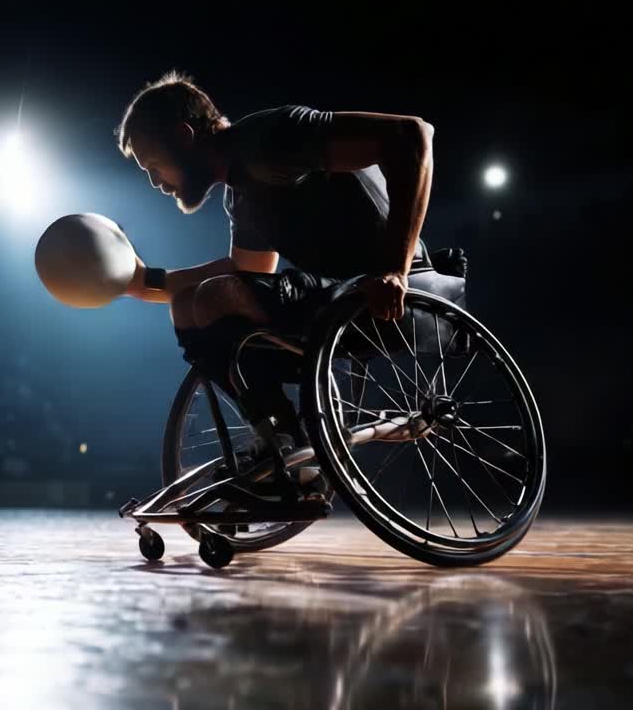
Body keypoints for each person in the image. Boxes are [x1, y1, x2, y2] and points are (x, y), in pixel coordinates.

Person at [116, 70, 436, 466]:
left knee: (212, 297)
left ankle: (288, 436)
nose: (154, 182)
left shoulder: (268, 139)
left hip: (397, 286)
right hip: (340, 296)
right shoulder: (242, 195)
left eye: (153, 165)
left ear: (185, 137)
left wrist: (395, 268)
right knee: (186, 305)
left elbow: (413, 135)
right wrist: (142, 282)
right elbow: (243, 272)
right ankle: (280, 438)